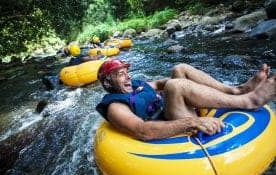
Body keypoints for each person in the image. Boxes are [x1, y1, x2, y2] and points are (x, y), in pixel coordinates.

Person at [96, 59, 276, 141]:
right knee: (175, 87)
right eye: (121, 75)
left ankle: (237, 90)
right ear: (108, 82)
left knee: (179, 69)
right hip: (171, 123)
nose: (128, 78)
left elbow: (160, 82)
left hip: (173, 109)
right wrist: (193, 122)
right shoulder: (115, 106)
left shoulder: (134, 85)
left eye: (127, 73)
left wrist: (191, 84)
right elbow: (142, 131)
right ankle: (249, 101)